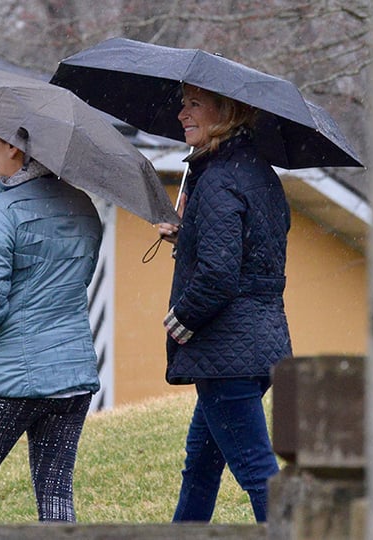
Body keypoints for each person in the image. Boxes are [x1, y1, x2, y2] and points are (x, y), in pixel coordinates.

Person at [0, 129, 103, 523]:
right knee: (55, 495)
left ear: (14, 148)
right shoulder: (83, 207)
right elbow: (76, 283)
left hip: (8, 379)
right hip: (72, 376)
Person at [157, 84, 291, 523]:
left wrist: (180, 321)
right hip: (259, 345)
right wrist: (188, 235)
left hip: (226, 353)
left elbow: (218, 276)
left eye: (194, 104)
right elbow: (252, 250)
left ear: (228, 110)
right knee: (200, 467)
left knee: (257, 471)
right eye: (183, 104)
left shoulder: (217, 179)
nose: (182, 114)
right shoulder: (257, 171)